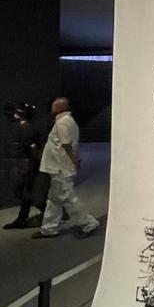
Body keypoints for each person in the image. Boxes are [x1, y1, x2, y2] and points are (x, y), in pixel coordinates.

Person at [32, 97, 99, 239]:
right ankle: (49, 228)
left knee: (68, 198)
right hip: (58, 167)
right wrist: (76, 159)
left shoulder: (62, 122)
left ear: (61, 107)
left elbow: (66, 145)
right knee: (54, 199)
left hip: (60, 168)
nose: (52, 107)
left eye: (54, 105)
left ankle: (89, 223)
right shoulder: (67, 121)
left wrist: (75, 160)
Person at [2, 103, 45, 229]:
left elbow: (33, 149)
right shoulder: (23, 127)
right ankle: (23, 217)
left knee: (22, 191)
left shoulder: (27, 128)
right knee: (25, 192)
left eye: (18, 112)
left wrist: (36, 162)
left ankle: (48, 211)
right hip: (25, 163)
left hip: (26, 164)